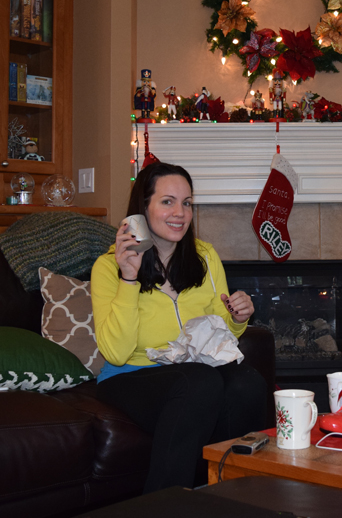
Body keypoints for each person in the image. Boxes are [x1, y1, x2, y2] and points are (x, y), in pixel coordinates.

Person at [90, 162, 267, 493]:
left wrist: (238, 319)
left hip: (194, 372)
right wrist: (129, 277)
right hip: (129, 376)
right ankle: (162, 511)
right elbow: (115, 352)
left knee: (248, 382)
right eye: (167, 201)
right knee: (198, 381)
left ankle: (238, 497)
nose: (180, 213)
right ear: (143, 208)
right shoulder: (108, 266)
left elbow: (222, 332)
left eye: (187, 203)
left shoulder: (204, 257)